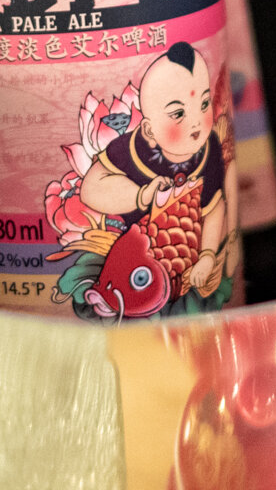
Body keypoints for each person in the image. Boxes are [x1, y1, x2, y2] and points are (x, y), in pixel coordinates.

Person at [79, 41, 229, 299]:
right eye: (178, 114)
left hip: (185, 266)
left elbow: (214, 208)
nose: (196, 121)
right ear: (149, 130)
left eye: (204, 104)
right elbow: (90, 189)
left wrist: (207, 256)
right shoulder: (129, 151)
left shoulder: (210, 149)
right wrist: (141, 196)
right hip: (131, 260)